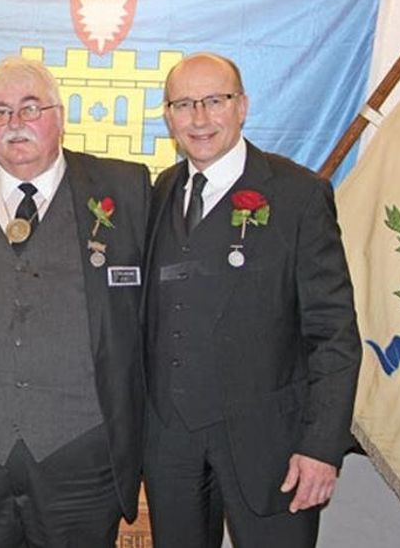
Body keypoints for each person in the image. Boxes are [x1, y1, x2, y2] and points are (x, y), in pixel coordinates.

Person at [0, 56, 150, 547]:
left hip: (80, 460)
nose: (14, 124)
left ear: (59, 116)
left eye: (29, 108)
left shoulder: (124, 190)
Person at [143, 52, 362, 547]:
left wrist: (322, 447)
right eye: (183, 104)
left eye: (214, 101)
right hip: (170, 445)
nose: (199, 119)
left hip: (273, 450)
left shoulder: (299, 195)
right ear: (168, 116)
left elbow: (334, 334)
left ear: (242, 106)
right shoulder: (159, 192)